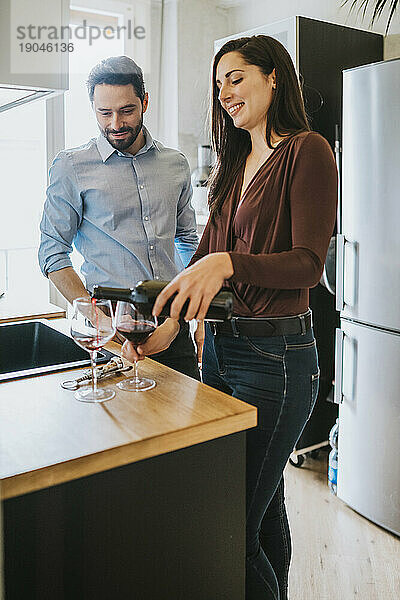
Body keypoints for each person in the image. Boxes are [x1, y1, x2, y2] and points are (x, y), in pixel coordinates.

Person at [122, 35, 337, 599]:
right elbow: (203, 260)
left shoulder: (307, 150)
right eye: (218, 84)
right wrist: (168, 323)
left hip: (277, 360)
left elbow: (308, 266)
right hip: (220, 352)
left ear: (273, 77)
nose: (224, 93)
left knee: (227, 524)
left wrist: (226, 264)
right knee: (262, 512)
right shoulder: (235, 161)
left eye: (236, 78)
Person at [38, 56, 200, 380]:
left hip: (172, 326)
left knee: (190, 427)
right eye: (104, 113)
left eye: (127, 110)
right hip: (110, 329)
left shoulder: (176, 165)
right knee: (119, 429)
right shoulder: (71, 166)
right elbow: (52, 252)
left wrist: (178, 320)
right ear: (93, 108)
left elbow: (187, 243)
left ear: (145, 102)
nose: (115, 124)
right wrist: (97, 319)